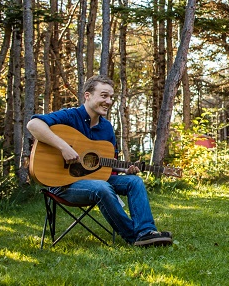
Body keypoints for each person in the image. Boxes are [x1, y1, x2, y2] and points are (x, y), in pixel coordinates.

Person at [26, 75, 173, 247]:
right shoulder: (70, 116)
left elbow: (106, 167)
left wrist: (126, 170)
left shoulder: (106, 128)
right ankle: (134, 237)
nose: (109, 101)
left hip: (96, 180)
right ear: (87, 95)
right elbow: (33, 125)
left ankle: (146, 231)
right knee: (102, 187)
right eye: (104, 95)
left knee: (134, 181)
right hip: (63, 184)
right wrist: (63, 147)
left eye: (111, 97)